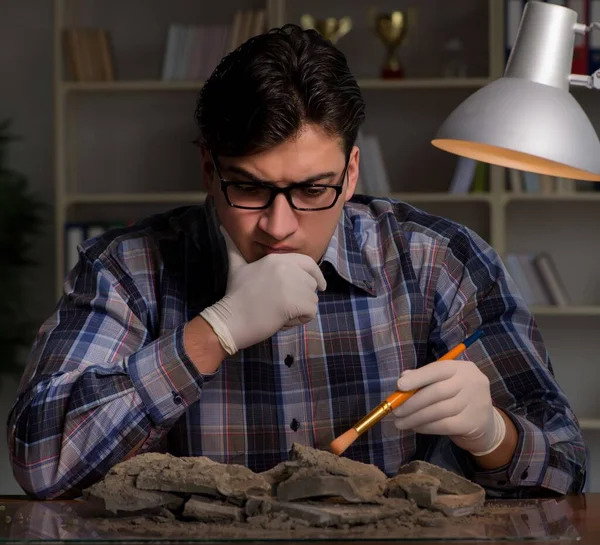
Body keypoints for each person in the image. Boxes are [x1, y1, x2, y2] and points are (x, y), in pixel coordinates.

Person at [8, 24, 585, 500]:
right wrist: (212, 334)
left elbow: (565, 467)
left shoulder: (437, 260)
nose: (279, 225)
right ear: (210, 170)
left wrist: (493, 435)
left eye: (313, 190)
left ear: (352, 172)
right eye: (251, 189)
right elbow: (40, 463)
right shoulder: (127, 268)